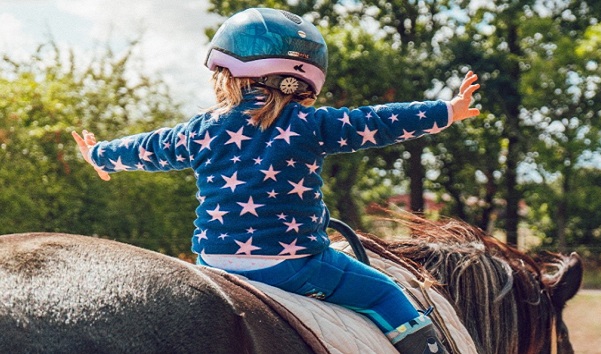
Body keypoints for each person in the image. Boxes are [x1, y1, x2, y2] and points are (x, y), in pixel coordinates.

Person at [72, 7, 479, 354]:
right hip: (293, 266)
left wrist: (100, 154)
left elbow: (151, 147)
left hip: (213, 262)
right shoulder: (311, 124)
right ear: (304, 80)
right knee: (386, 293)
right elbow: (377, 121)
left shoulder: (200, 129)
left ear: (226, 74)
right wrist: (448, 110)